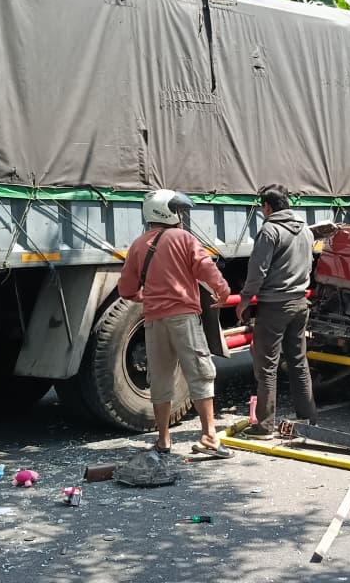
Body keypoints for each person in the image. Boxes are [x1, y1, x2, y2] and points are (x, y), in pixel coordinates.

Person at [118, 189, 234, 459]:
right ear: (166, 211)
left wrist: (144, 295)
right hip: (183, 317)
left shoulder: (137, 245)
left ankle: (163, 440)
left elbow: (126, 289)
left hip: (154, 320)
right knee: (200, 372)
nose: (182, 216)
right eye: (178, 211)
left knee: (159, 378)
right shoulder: (184, 238)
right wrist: (223, 290)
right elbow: (206, 268)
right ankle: (208, 436)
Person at [235, 183, 318, 439]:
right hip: (300, 303)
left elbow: (257, 271)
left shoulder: (269, 231)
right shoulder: (305, 229)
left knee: (267, 367)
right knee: (298, 362)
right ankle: (308, 417)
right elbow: (309, 265)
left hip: (274, 306)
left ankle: (264, 426)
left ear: (267, 207)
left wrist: (245, 300)